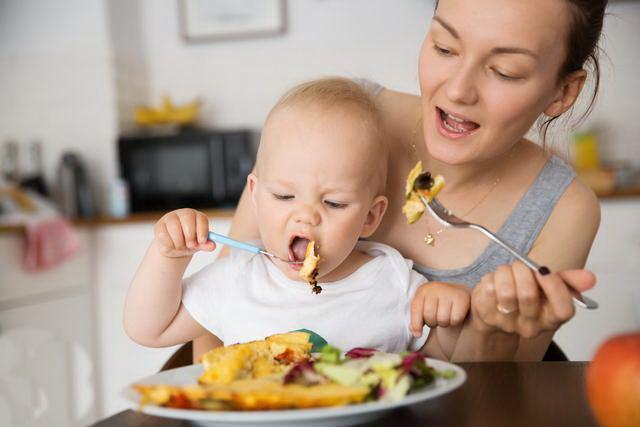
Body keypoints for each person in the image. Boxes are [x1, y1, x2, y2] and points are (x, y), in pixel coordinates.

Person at [195, 0, 606, 362]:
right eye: (444, 47)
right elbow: (216, 317)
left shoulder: (564, 209)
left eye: (505, 71)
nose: (458, 90)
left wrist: (488, 326)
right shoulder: (334, 120)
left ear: (563, 92)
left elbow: (500, 388)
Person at [123, 77, 471, 355]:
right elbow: (148, 328)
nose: (305, 217)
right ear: (256, 197)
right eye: (284, 196)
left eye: (333, 203)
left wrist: (447, 319)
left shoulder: (392, 281)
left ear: (370, 217)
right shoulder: (238, 278)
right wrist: (168, 255)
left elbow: (440, 365)